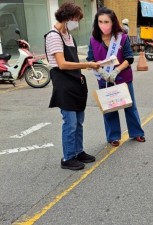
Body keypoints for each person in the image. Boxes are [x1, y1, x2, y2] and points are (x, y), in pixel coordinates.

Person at [45, 2, 100, 170]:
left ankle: (78, 151)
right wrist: (87, 65)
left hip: (76, 81)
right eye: (75, 19)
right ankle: (68, 157)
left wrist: (87, 64)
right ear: (67, 17)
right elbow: (61, 64)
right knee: (69, 122)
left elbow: (73, 60)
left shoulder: (68, 34)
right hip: (63, 82)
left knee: (79, 121)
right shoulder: (54, 36)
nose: (77, 22)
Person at [87, 7, 145, 147]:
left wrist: (116, 71)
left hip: (122, 77)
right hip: (104, 79)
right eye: (100, 22)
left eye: (106, 21)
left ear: (113, 22)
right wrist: (102, 72)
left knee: (130, 106)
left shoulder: (121, 37)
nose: (103, 25)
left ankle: (136, 132)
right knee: (109, 108)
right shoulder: (93, 40)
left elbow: (129, 58)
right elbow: (90, 59)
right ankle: (113, 136)